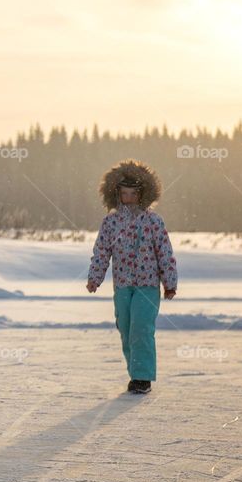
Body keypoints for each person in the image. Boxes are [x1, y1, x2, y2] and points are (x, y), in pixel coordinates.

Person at [86, 159, 178, 394]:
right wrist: (95, 277)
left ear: (142, 194)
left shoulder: (153, 221)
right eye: (124, 193)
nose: (128, 198)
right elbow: (102, 251)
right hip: (123, 285)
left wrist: (169, 282)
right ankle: (135, 371)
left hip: (147, 285)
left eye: (133, 193)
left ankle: (142, 377)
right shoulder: (111, 222)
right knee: (126, 328)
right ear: (116, 194)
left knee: (141, 328)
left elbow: (165, 252)